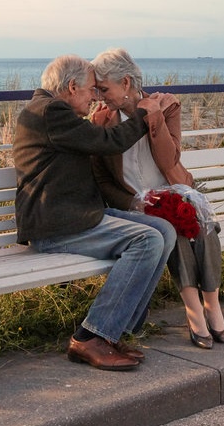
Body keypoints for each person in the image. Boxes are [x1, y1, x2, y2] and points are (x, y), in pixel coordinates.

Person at [13, 54, 177, 371]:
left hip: (76, 216)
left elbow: (85, 142)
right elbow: (107, 142)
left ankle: (112, 333)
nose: (95, 98)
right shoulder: (50, 111)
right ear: (72, 86)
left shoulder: (51, 113)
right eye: (91, 90)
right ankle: (91, 335)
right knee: (147, 241)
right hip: (57, 226)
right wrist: (143, 117)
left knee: (165, 231)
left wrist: (93, 128)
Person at [91, 47, 224, 349]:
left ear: (125, 83)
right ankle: (194, 311)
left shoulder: (167, 107)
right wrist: (132, 203)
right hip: (135, 204)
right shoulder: (102, 121)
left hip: (175, 189)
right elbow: (102, 180)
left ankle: (212, 304)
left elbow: (169, 161)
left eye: (104, 88)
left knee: (203, 225)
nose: (100, 96)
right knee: (173, 229)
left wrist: (153, 118)